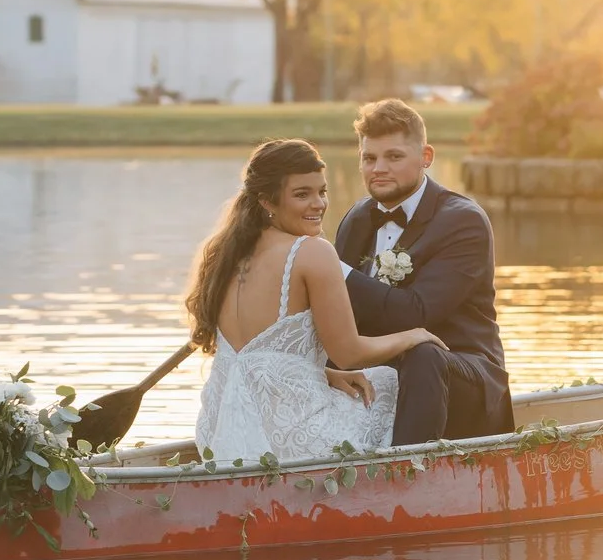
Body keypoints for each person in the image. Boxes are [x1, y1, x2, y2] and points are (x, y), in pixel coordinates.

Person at [189, 139, 443, 462]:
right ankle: (415, 484)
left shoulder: (223, 254)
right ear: (267, 201)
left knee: (362, 383)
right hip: (294, 437)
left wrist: (327, 374)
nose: (318, 204)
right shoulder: (312, 252)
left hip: (220, 434)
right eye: (301, 194)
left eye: (321, 191)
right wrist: (413, 336)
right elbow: (349, 353)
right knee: (390, 382)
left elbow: (258, 358)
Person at [330, 98, 514, 443]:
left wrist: (330, 268)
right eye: (369, 158)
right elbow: (339, 311)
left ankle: (409, 477)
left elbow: (417, 312)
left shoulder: (463, 221)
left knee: (424, 353)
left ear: (425, 158)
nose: (378, 168)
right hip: (378, 369)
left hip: (462, 372)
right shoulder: (356, 220)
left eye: (394, 157)